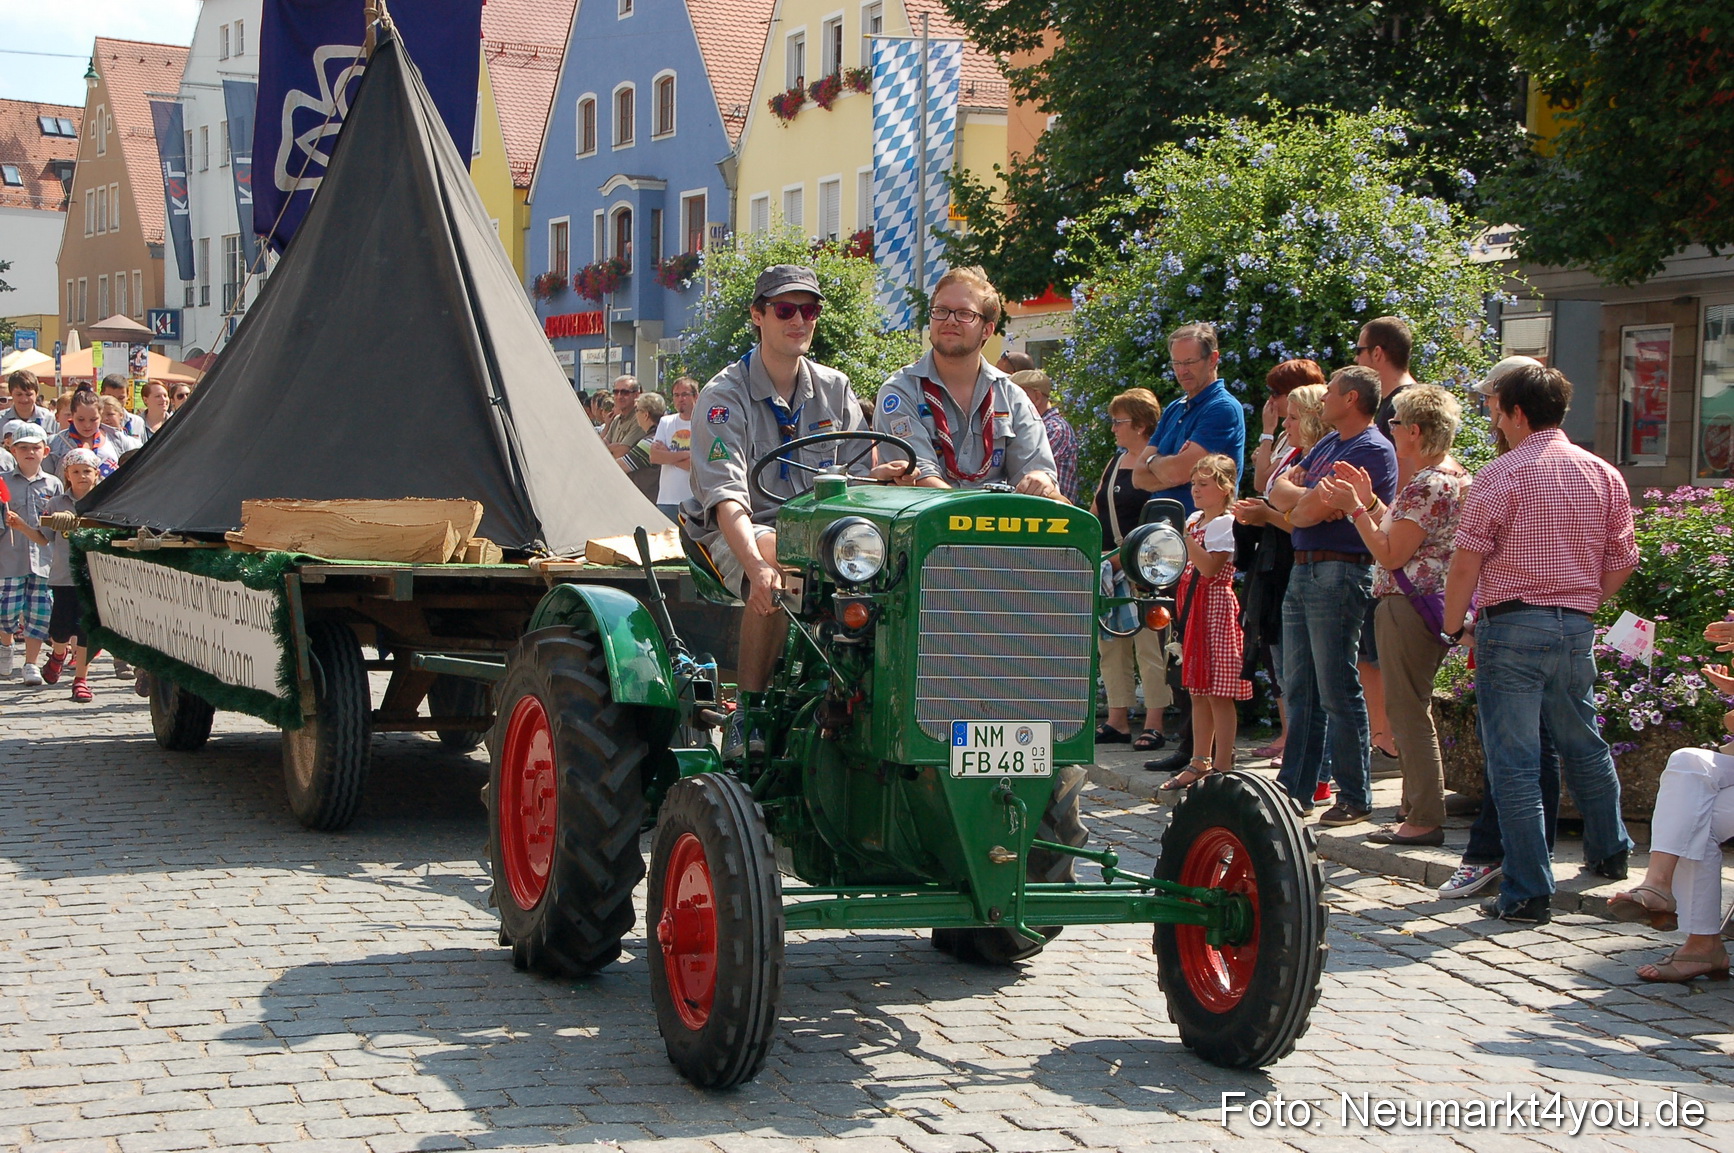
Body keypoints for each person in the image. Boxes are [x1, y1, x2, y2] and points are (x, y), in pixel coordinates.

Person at [1442, 363, 1636, 924]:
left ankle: (1528, 891)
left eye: (1496, 409)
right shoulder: (1602, 472)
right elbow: (1624, 559)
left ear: (1517, 413)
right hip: (1574, 624)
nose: (1493, 419)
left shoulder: (1501, 475)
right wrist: (1581, 600)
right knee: (1583, 741)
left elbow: (1465, 564)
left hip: (1511, 626)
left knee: (1517, 763)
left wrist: (1455, 627)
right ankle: (1610, 851)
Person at [682, 264, 871, 753]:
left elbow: (858, 482)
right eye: (786, 310)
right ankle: (751, 712)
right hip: (738, 530)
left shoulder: (835, 388)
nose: (799, 320)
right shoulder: (724, 397)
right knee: (784, 567)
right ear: (758, 316)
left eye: (809, 310)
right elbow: (727, 500)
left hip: (823, 531)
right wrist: (756, 568)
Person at [1318, 384, 1470, 846]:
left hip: (1409, 604)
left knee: (1407, 712)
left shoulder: (1427, 483)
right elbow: (1404, 533)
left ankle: (1423, 816)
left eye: (1397, 422)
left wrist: (1353, 510)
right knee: (1410, 707)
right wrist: (1368, 502)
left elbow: (1389, 552)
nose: (1391, 429)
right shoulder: (1455, 475)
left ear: (1416, 430)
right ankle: (1413, 807)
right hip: (1429, 602)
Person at [1267, 365, 1397, 826]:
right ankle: (1295, 789)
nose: (1322, 402)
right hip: (1304, 571)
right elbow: (1279, 491)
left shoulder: (1372, 450)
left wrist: (1302, 503)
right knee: (1299, 685)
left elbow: (1300, 510)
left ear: (1352, 400)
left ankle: (1354, 794)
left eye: (1331, 394)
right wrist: (1303, 502)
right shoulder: (1327, 444)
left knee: (1337, 687)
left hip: (1340, 570)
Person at [1130, 321, 1249, 776]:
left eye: (1190, 362)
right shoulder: (1178, 407)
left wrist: (1161, 466)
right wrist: (1163, 467)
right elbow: (1140, 474)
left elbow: (1179, 469)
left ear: (1213, 359)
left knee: (1200, 663)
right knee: (1175, 650)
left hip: (1196, 548)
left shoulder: (1222, 408)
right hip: (1171, 542)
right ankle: (1192, 749)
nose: (1182, 371)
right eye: (1176, 363)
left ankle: (1206, 755)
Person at [874, 267, 1063, 498]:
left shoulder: (1011, 397)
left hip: (1002, 529)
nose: (950, 321)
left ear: (987, 330)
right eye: (941, 310)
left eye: (965, 314)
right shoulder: (900, 391)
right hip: (926, 529)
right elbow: (922, 481)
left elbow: (1037, 480)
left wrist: (1040, 481)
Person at [1233, 362, 1327, 768]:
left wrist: (1269, 513)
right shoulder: (1292, 442)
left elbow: (1285, 501)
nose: (1272, 403)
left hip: (1293, 556)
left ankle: (1301, 744)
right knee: (1276, 648)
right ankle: (1290, 732)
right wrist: (1270, 432)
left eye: (1280, 396)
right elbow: (1266, 485)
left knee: (1294, 654)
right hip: (1273, 556)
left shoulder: (1315, 449)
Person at [1160, 454, 1252, 791]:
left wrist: (1184, 539)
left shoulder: (1222, 523)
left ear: (1225, 487)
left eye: (1203, 484)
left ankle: (1224, 766)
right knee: (1198, 689)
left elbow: (1211, 568)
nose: (1195, 490)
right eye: (1194, 483)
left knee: (1219, 692)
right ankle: (1200, 760)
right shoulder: (1197, 519)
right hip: (1193, 606)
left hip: (1214, 606)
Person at [1353, 317, 1419, 767]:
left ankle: (1387, 742)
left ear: (1378, 354)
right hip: (1385, 531)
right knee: (1372, 652)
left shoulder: (1404, 404)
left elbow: (1408, 478)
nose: (1356, 358)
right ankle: (1383, 738)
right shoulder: (1398, 402)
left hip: (1398, 538)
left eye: (1360, 350)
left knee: (1381, 656)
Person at [1093, 388, 1170, 750]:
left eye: (1118, 422)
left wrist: (1126, 557)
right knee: (1111, 646)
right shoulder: (1115, 461)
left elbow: (1161, 522)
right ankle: (1117, 719)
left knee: (1150, 648)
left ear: (1140, 425)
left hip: (1145, 568)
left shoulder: (1158, 463)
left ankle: (1155, 721)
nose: (1113, 429)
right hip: (1110, 565)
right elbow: (1097, 506)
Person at [0, 424, 64, 684]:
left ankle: (31, 663)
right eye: (23, 448)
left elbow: (58, 526)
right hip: (9, 558)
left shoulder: (54, 484)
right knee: (6, 611)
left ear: (45, 451)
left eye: (35, 448)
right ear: (12, 450)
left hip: (43, 559)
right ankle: (6, 646)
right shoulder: (3, 481)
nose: (29, 452)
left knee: (39, 613)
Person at [40, 448, 103, 701]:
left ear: (96, 474)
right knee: (60, 629)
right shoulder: (56, 503)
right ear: (67, 474)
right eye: (76, 472)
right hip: (64, 576)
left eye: (87, 471)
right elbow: (43, 538)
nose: (82, 476)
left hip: (93, 576)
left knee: (87, 628)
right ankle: (57, 654)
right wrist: (21, 526)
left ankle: (81, 679)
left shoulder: (102, 503)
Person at [1011, 369, 1079, 504]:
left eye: (1016, 394)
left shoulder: (1055, 428)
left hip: (1054, 514)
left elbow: (1027, 474)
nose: (1009, 400)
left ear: (1036, 397)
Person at [650, 377, 698, 520]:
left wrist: (668, 455)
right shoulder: (666, 422)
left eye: (685, 394)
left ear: (696, 396)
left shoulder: (702, 424)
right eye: (676, 395)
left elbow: (696, 466)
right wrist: (686, 454)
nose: (680, 399)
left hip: (694, 500)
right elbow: (654, 457)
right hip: (667, 500)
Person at [47, 390, 123, 478]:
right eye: (81, 419)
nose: (87, 425)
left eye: (93, 419)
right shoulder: (54, 443)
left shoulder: (118, 439)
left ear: (101, 415)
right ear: (72, 415)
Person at [618, 391, 666, 501]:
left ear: (645, 415)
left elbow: (620, 466)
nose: (635, 414)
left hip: (648, 502)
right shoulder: (661, 436)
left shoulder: (650, 442)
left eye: (637, 410)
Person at [0, 370, 60, 435]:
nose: (24, 399)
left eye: (29, 395)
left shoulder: (49, 419)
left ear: (36, 394)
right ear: (11, 394)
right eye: (19, 394)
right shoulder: (1, 420)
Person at [601, 376, 644, 458]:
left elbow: (622, 452)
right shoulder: (616, 420)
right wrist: (612, 447)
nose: (619, 396)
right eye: (616, 392)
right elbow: (600, 446)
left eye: (625, 392)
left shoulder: (640, 419)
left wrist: (610, 448)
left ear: (636, 395)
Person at [98, 374, 148, 440]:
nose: (116, 402)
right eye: (111, 397)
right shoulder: (95, 422)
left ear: (127, 396)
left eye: (121, 398)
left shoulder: (137, 422)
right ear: (102, 395)